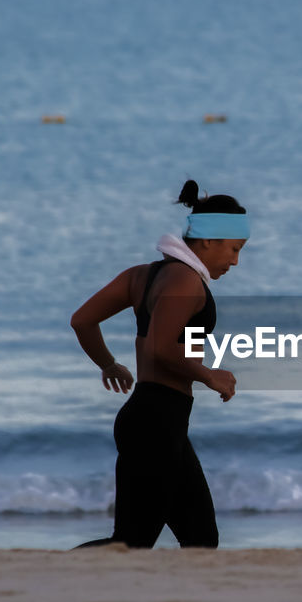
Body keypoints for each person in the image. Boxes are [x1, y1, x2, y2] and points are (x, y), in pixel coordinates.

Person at [71, 180, 248, 549]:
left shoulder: (141, 275)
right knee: (131, 543)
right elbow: (160, 349)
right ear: (208, 241)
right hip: (157, 422)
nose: (234, 261)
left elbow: (83, 321)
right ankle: (49, 574)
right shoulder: (186, 282)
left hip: (156, 421)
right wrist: (209, 375)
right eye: (233, 249)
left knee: (201, 540)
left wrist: (109, 365)